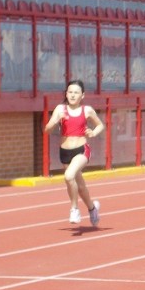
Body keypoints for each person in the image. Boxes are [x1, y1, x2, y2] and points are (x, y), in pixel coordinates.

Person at [43, 79, 104, 225]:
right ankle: (92, 209)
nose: (72, 95)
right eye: (70, 92)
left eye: (76, 92)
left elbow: (100, 125)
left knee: (69, 176)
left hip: (81, 150)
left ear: (82, 95)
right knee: (80, 186)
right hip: (65, 152)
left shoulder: (87, 110)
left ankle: (74, 209)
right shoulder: (60, 109)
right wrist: (55, 121)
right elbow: (47, 130)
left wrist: (93, 133)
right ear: (66, 94)